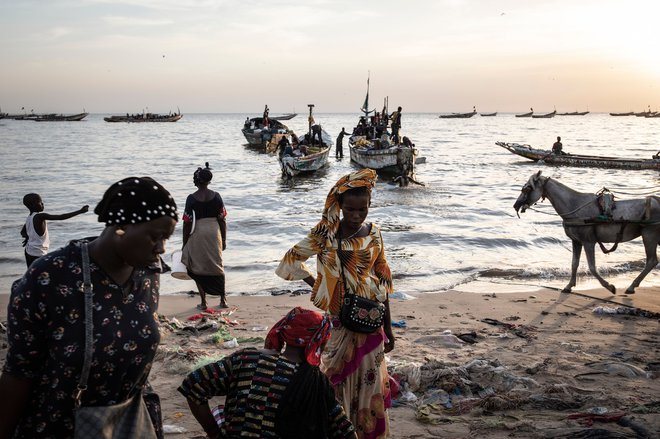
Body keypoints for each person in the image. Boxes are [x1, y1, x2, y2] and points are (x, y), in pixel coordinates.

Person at [0, 177, 178, 439]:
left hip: (132, 422)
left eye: (167, 238)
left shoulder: (148, 272)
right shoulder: (48, 278)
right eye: (155, 236)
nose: (161, 248)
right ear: (120, 227)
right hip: (61, 426)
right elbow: (18, 374)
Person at [275, 169, 395, 438]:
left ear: (369, 206)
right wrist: (320, 286)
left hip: (371, 323)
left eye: (362, 210)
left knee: (370, 383)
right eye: (350, 209)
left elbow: (382, 281)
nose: (355, 216)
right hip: (340, 322)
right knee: (335, 382)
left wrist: (389, 328)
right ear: (339, 206)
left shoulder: (375, 233)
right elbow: (291, 260)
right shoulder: (325, 233)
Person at [178, 307, 357, 439]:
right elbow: (345, 430)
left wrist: (214, 433)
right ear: (319, 342)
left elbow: (193, 384)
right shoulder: (317, 383)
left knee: (221, 412)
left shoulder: (246, 359)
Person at [181, 163, 228, 310]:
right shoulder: (217, 196)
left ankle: (204, 302)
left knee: (198, 266)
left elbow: (187, 222)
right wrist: (224, 239)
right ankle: (223, 299)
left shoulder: (192, 198)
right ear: (208, 181)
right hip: (214, 232)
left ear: (196, 181)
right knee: (217, 264)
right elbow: (222, 219)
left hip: (199, 231)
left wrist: (185, 242)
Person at [20, 193, 89, 268]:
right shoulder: (40, 216)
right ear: (33, 205)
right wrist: (80, 211)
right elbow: (60, 217)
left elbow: (23, 232)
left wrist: (28, 238)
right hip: (38, 253)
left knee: (31, 273)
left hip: (29, 251)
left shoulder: (29, 218)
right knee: (42, 274)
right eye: (40, 202)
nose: (42, 204)